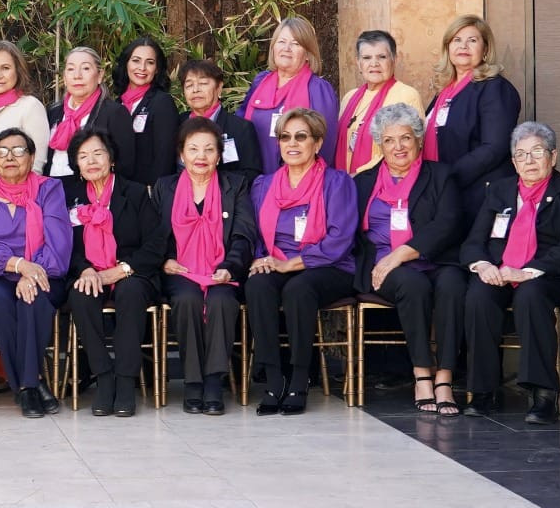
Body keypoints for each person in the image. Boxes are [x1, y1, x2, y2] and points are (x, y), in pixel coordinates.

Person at [462, 122, 560, 425]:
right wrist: (484, 266)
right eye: (520, 155)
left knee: (531, 294)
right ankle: (482, 391)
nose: (528, 161)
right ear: (513, 161)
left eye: (537, 152)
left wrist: (528, 272)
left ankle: (543, 394)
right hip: (501, 271)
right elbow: (474, 241)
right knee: (478, 294)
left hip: (549, 277)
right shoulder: (500, 191)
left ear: (553, 157)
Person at [353, 104, 465, 416]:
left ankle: (445, 377)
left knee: (454, 285)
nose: (398, 147)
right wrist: (387, 260)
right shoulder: (363, 182)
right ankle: (421, 375)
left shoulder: (440, 175)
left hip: (437, 260)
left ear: (418, 140)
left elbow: (449, 222)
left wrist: (402, 253)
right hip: (381, 265)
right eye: (389, 140)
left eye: (406, 138)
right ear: (380, 144)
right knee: (413, 286)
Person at [246, 108, 356, 416]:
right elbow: (255, 234)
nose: (292, 143)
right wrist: (260, 260)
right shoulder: (264, 186)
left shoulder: (337, 183)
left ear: (318, 143)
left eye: (301, 136)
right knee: (257, 285)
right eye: (285, 137)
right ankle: (273, 378)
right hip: (277, 260)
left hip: (329, 267)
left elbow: (339, 241)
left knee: (299, 288)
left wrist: (290, 264)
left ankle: (298, 377)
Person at [0, 128, 72, 418]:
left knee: (33, 300)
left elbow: (59, 245)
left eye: (18, 150)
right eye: (2, 152)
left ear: (33, 156)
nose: (9, 157)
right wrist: (18, 265)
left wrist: (32, 272)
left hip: (44, 272)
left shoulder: (49, 190)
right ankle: (33, 382)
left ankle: (25, 388)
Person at [153, 117, 257, 415]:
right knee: (187, 299)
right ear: (181, 154)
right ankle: (193, 383)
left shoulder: (234, 185)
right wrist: (163, 260)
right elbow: (151, 234)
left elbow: (243, 233)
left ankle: (213, 382)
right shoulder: (165, 187)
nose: (201, 156)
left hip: (221, 269)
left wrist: (230, 266)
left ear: (219, 155)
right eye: (194, 149)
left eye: (209, 149)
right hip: (179, 270)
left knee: (222, 301)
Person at [62, 128, 161, 417]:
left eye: (98, 153)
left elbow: (156, 242)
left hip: (131, 271)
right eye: (83, 156)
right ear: (76, 164)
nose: (91, 161)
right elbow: (62, 243)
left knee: (130, 292)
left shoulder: (135, 191)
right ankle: (103, 377)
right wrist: (86, 270)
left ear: (111, 158)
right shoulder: (70, 196)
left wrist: (122, 269)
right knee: (81, 295)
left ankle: (126, 380)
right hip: (88, 271)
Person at [424, 15, 522, 218]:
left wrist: (447, 177)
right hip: (444, 195)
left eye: (472, 40)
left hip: (478, 197)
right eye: (456, 40)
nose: (463, 46)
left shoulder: (495, 88)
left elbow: (494, 148)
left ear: (485, 49)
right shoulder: (445, 91)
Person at [239, 16, 339, 173]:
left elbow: (325, 147)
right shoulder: (260, 81)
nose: (286, 48)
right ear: (273, 48)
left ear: (308, 54)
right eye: (281, 42)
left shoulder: (318, 89)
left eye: (295, 43)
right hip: (254, 180)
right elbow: (240, 125)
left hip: (297, 184)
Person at [335, 31, 424, 176]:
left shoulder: (406, 95)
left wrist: (358, 176)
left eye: (381, 57)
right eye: (366, 57)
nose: (374, 63)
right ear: (358, 62)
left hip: (381, 182)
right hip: (345, 182)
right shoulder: (349, 98)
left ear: (394, 59)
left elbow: (411, 149)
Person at [43, 46, 132, 179]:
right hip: (52, 191)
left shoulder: (114, 113)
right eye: (71, 69)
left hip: (92, 193)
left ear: (100, 75)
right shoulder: (53, 112)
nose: (77, 76)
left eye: (85, 68)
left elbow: (125, 165)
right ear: (64, 78)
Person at [0, 40, 49, 184]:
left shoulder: (30, 106)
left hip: (13, 196)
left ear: (18, 70)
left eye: (6, 68)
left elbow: (37, 163)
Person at [177, 59, 262, 183]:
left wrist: (207, 183)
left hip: (225, 199)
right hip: (181, 197)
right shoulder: (177, 124)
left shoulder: (241, 128)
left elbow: (251, 174)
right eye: (189, 85)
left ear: (219, 87)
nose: (195, 90)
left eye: (203, 83)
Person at [112, 36, 180, 186]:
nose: (142, 68)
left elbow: (165, 156)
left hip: (149, 192)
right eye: (136, 60)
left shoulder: (162, 102)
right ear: (126, 64)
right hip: (120, 192)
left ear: (157, 69)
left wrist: (154, 191)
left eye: (150, 62)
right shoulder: (117, 104)